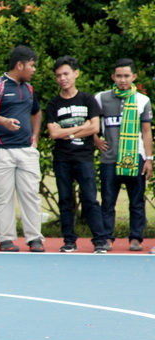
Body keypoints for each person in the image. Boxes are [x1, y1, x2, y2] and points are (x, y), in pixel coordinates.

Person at [0, 45, 45, 252]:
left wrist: (35, 137)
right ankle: (6, 240)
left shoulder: (29, 89)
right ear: (20, 65)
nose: (34, 69)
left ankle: (35, 239)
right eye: (32, 65)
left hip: (26, 150)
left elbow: (36, 112)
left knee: (31, 194)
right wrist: (4, 121)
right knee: (2, 197)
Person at [45, 56, 107, 254]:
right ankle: (69, 241)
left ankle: (100, 241)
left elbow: (95, 128)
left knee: (90, 199)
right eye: (58, 75)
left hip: (84, 158)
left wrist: (68, 132)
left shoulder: (88, 100)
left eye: (66, 74)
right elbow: (54, 134)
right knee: (65, 200)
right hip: (62, 159)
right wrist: (80, 128)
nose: (62, 78)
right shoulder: (53, 104)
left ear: (76, 74)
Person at [93, 58, 153, 252]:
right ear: (113, 77)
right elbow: (91, 123)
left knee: (137, 202)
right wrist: (96, 139)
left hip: (135, 157)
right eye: (119, 76)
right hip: (110, 158)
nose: (123, 80)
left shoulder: (142, 100)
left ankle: (135, 238)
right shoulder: (101, 98)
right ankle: (107, 238)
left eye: (126, 76)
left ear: (134, 77)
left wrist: (149, 159)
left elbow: (146, 131)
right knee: (108, 200)